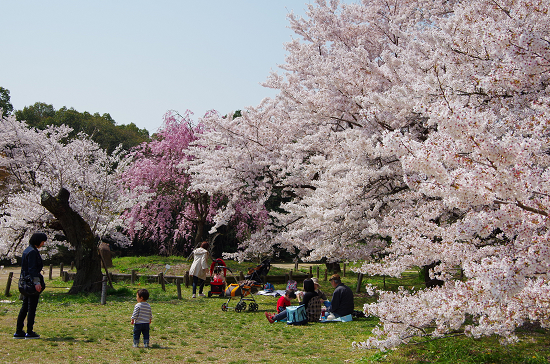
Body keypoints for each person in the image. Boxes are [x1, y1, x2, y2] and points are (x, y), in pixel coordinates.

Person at [14, 232, 47, 339]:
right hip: (31, 283)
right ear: (38, 241)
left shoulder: (27, 250)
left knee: (24, 307)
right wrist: (37, 283)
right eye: (42, 241)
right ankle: (29, 331)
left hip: (24, 283)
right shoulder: (33, 252)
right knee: (31, 307)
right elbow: (32, 269)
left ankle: (19, 331)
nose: (43, 244)